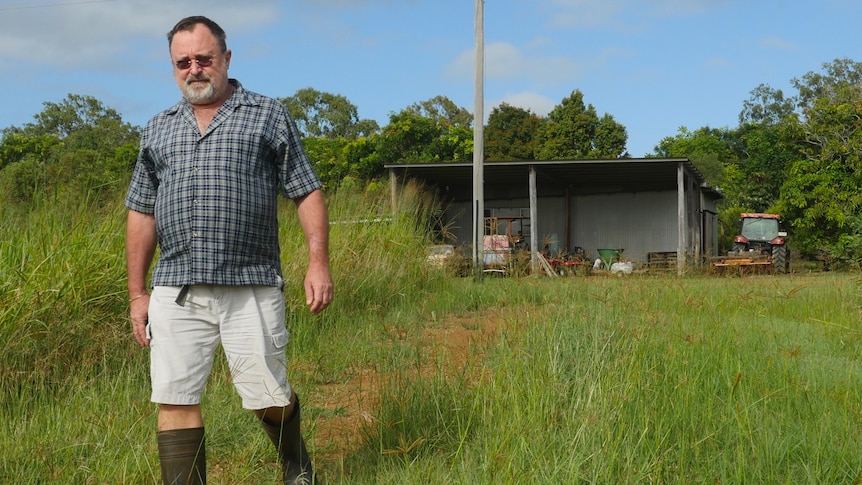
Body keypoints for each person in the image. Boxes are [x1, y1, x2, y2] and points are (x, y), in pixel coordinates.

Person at [125, 15, 333, 485]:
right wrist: (137, 294)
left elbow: (306, 191)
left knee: (267, 396)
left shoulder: (267, 114)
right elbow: (141, 212)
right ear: (173, 66)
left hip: (252, 282)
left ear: (226, 59)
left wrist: (317, 264)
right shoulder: (157, 129)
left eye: (204, 58)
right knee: (175, 396)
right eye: (183, 62)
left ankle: (295, 458)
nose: (194, 69)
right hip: (175, 287)